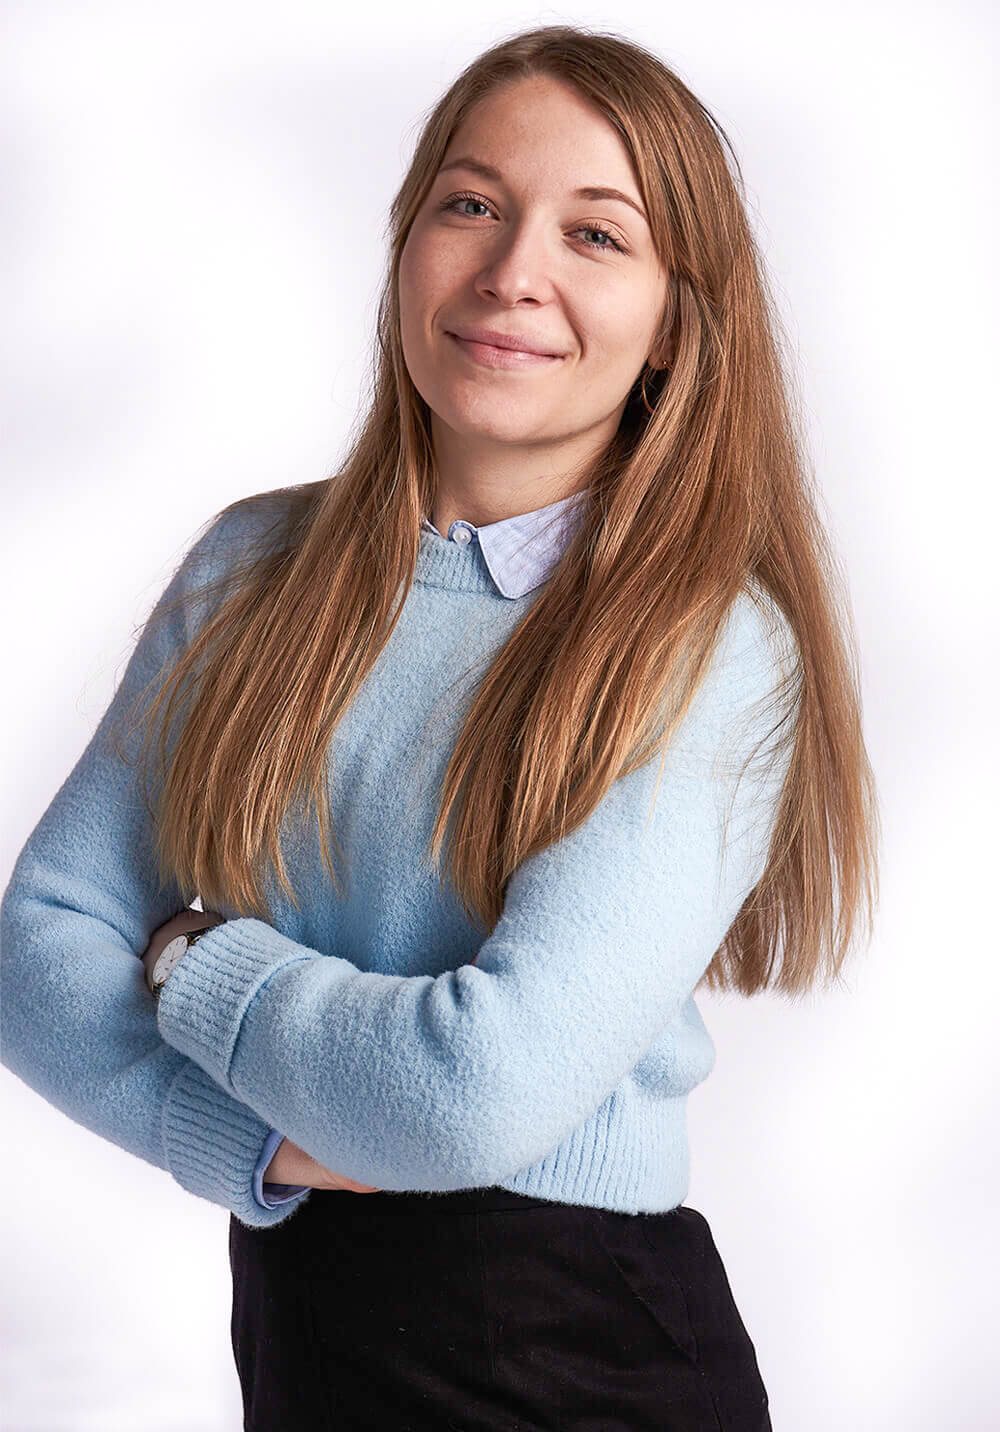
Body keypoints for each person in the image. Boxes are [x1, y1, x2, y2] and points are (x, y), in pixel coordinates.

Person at [0, 22, 880, 1432]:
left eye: (597, 234)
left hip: (581, 1358)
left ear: (676, 322)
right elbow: (34, 949)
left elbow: (472, 1097)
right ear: (407, 243)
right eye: (473, 204)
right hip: (305, 1331)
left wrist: (191, 960)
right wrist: (255, 1141)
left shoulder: (706, 643)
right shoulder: (248, 572)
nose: (513, 270)